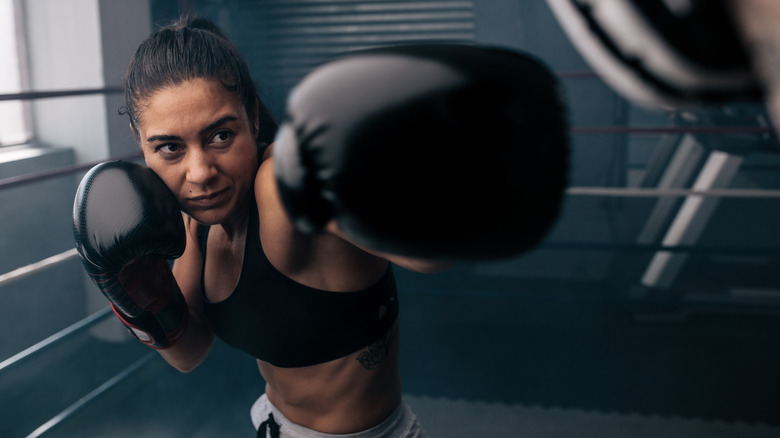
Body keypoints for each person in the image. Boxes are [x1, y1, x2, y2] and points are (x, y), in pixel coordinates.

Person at [72, 16, 569, 437]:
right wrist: (134, 292)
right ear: (141, 144)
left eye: (221, 135)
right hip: (274, 424)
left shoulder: (284, 184)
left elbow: (432, 256)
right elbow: (190, 352)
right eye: (170, 148)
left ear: (250, 117)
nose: (200, 172)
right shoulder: (189, 219)